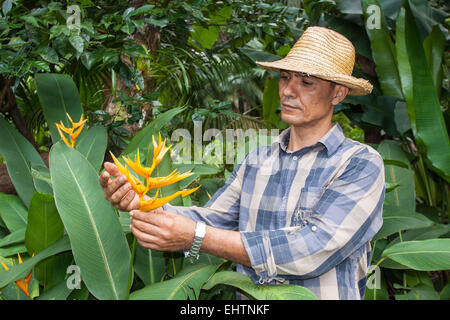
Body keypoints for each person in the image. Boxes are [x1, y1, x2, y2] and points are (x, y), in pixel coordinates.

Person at [99, 26, 385, 300]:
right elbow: (210, 220)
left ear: (338, 93)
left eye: (306, 82)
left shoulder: (359, 164)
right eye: (285, 78)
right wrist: (141, 201)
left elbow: (312, 248)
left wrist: (195, 236)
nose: (288, 90)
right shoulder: (257, 161)